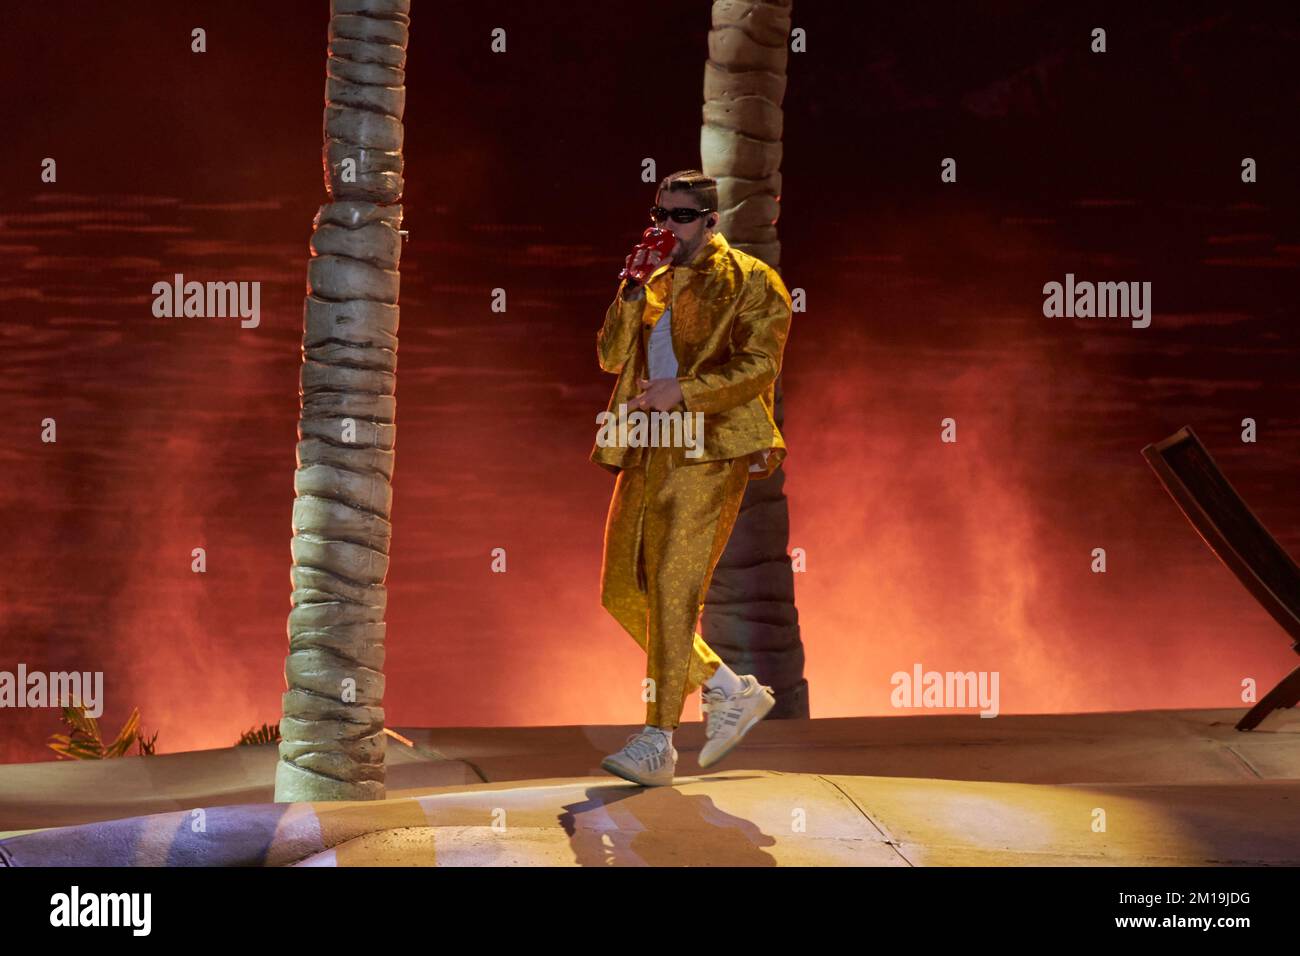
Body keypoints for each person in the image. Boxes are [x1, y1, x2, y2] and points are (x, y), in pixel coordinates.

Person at [591, 169, 793, 786]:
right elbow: (607, 355)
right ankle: (730, 689)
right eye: (660, 215)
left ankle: (658, 740)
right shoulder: (651, 279)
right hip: (649, 448)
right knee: (622, 592)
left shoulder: (753, 282)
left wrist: (687, 391)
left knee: (677, 591)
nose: (667, 228)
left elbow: (761, 367)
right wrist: (628, 287)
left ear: (711, 221)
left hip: (708, 449)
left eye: (681, 217)